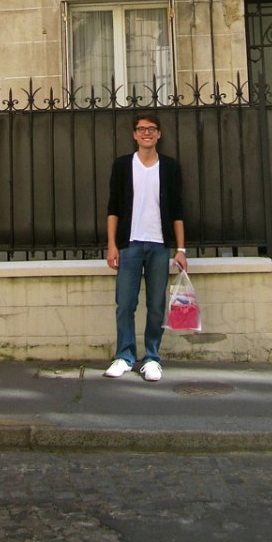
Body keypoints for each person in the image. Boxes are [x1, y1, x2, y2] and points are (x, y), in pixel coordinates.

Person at [103, 110, 188, 382]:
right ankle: (124, 356)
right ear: (135, 135)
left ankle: (152, 358)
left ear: (159, 134)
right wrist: (112, 245)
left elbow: (177, 210)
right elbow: (113, 207)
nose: (146, 133)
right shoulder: (122, 165)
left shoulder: (170, 167)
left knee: (156, 305)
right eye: (141, 129)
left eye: (151, 129)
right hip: (129, 245)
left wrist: (181, 250)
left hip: (159, 245)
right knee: (125, 304)